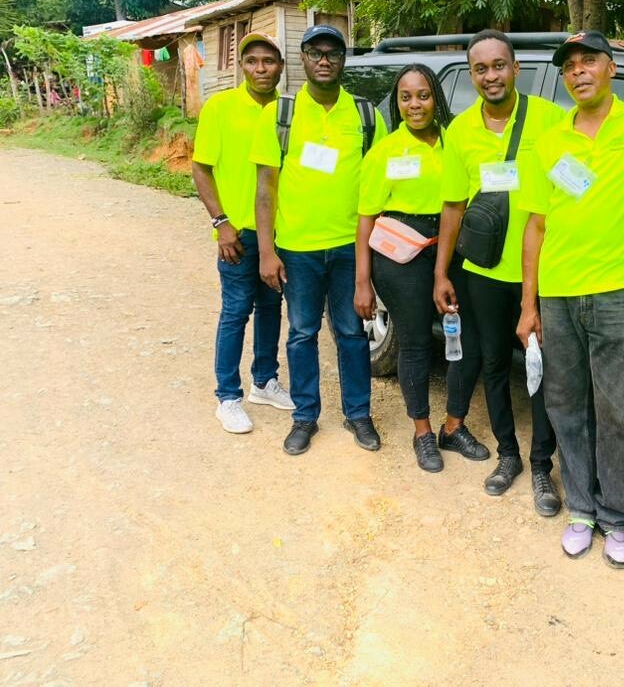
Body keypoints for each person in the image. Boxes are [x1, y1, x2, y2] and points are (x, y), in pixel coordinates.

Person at [516, 31, 624, 567]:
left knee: (617, 410)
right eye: (570, 66)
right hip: (560, 292)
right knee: (566, 406)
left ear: (612, 68)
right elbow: (535, 227)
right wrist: (529, 303)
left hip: (619, 292)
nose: (579, 72)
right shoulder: (548, 143)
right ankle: (582, 511)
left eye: (589, 61)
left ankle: (616, 517)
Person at [434, 30, 565, 513]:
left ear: (516, 68)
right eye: (481, 69)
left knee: (544, 370)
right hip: (483, 272)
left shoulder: (552, 120)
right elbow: (452, 205)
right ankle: (509, 455)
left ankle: (543, 468)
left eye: (499, 65)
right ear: (472, 75)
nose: (491, 76)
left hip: (543, 271)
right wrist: (442, 272)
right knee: (492, 364)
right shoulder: (462, 131)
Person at [250, 24, 388, 456]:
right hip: (298, 248)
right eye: (315, 52)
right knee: (302, 333)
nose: (324, 59)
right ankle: (305, 416)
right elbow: (264, 187)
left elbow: (379, 187)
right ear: (304, 59)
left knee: (351, 332)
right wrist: (268, 251)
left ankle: (358, 414)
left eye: (333, 52)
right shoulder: (280, 114)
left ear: (344, 60)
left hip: (351, 246)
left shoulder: (366, 115)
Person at [355, 64, 491, 472]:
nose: (415, 104)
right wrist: (363, 280)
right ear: (397, 104)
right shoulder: (386, 150)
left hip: (454, 250)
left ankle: (454, 426)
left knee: (466, 342)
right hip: (402, 257)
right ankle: (422, 433)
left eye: (423, 95)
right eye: (405, 97)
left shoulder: (457, 141)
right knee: (414, 344)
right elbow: (366, 217)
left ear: (437, 98)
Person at [191, 32, 295, 433]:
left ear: (281, 67)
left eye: (268, 62)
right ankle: (227, 396)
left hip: (280, 233)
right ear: (242, 67)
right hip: (237, 233)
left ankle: (264, 380)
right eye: (252, 61)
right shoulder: (220, 107)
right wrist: (221, 223)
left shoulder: (289, 111)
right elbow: (201, 168)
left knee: (271, 307)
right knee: (236, 310)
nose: (260, 69)